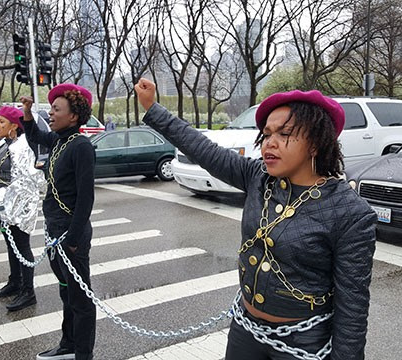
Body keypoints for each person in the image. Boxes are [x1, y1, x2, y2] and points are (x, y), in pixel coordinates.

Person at [134, 78, 377, 360]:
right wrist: (153, 108)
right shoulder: (257, 178)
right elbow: (204, 150)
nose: (269, 144)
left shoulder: (350, 212)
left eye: (284, 134)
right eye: (266, 134)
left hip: (305, 342)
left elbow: (353, 306)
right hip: (246, 330)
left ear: (316, 144)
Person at [21, 84, 96, 360]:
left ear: (74, 116)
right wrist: (27, 113)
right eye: (51, 109)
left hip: (71, 234)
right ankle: (68, 343)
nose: (50, 114)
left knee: (81, 298)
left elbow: (86, 199)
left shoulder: (81, 146)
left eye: (56, 109)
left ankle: (83, 353)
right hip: (54, 231)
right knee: (66, 291)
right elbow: (33, 137)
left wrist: (74, 239)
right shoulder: (58, 140)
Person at [0, 106, 45, 311]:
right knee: (10, 244)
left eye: (2, 122)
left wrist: (11, 201)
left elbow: (27, 177)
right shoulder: (4, 142)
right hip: (4, 201)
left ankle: (28, 291)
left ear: (14, 126)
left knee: (22, 246)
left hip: (20, 203)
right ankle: (15, 281)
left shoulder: (22, 145)